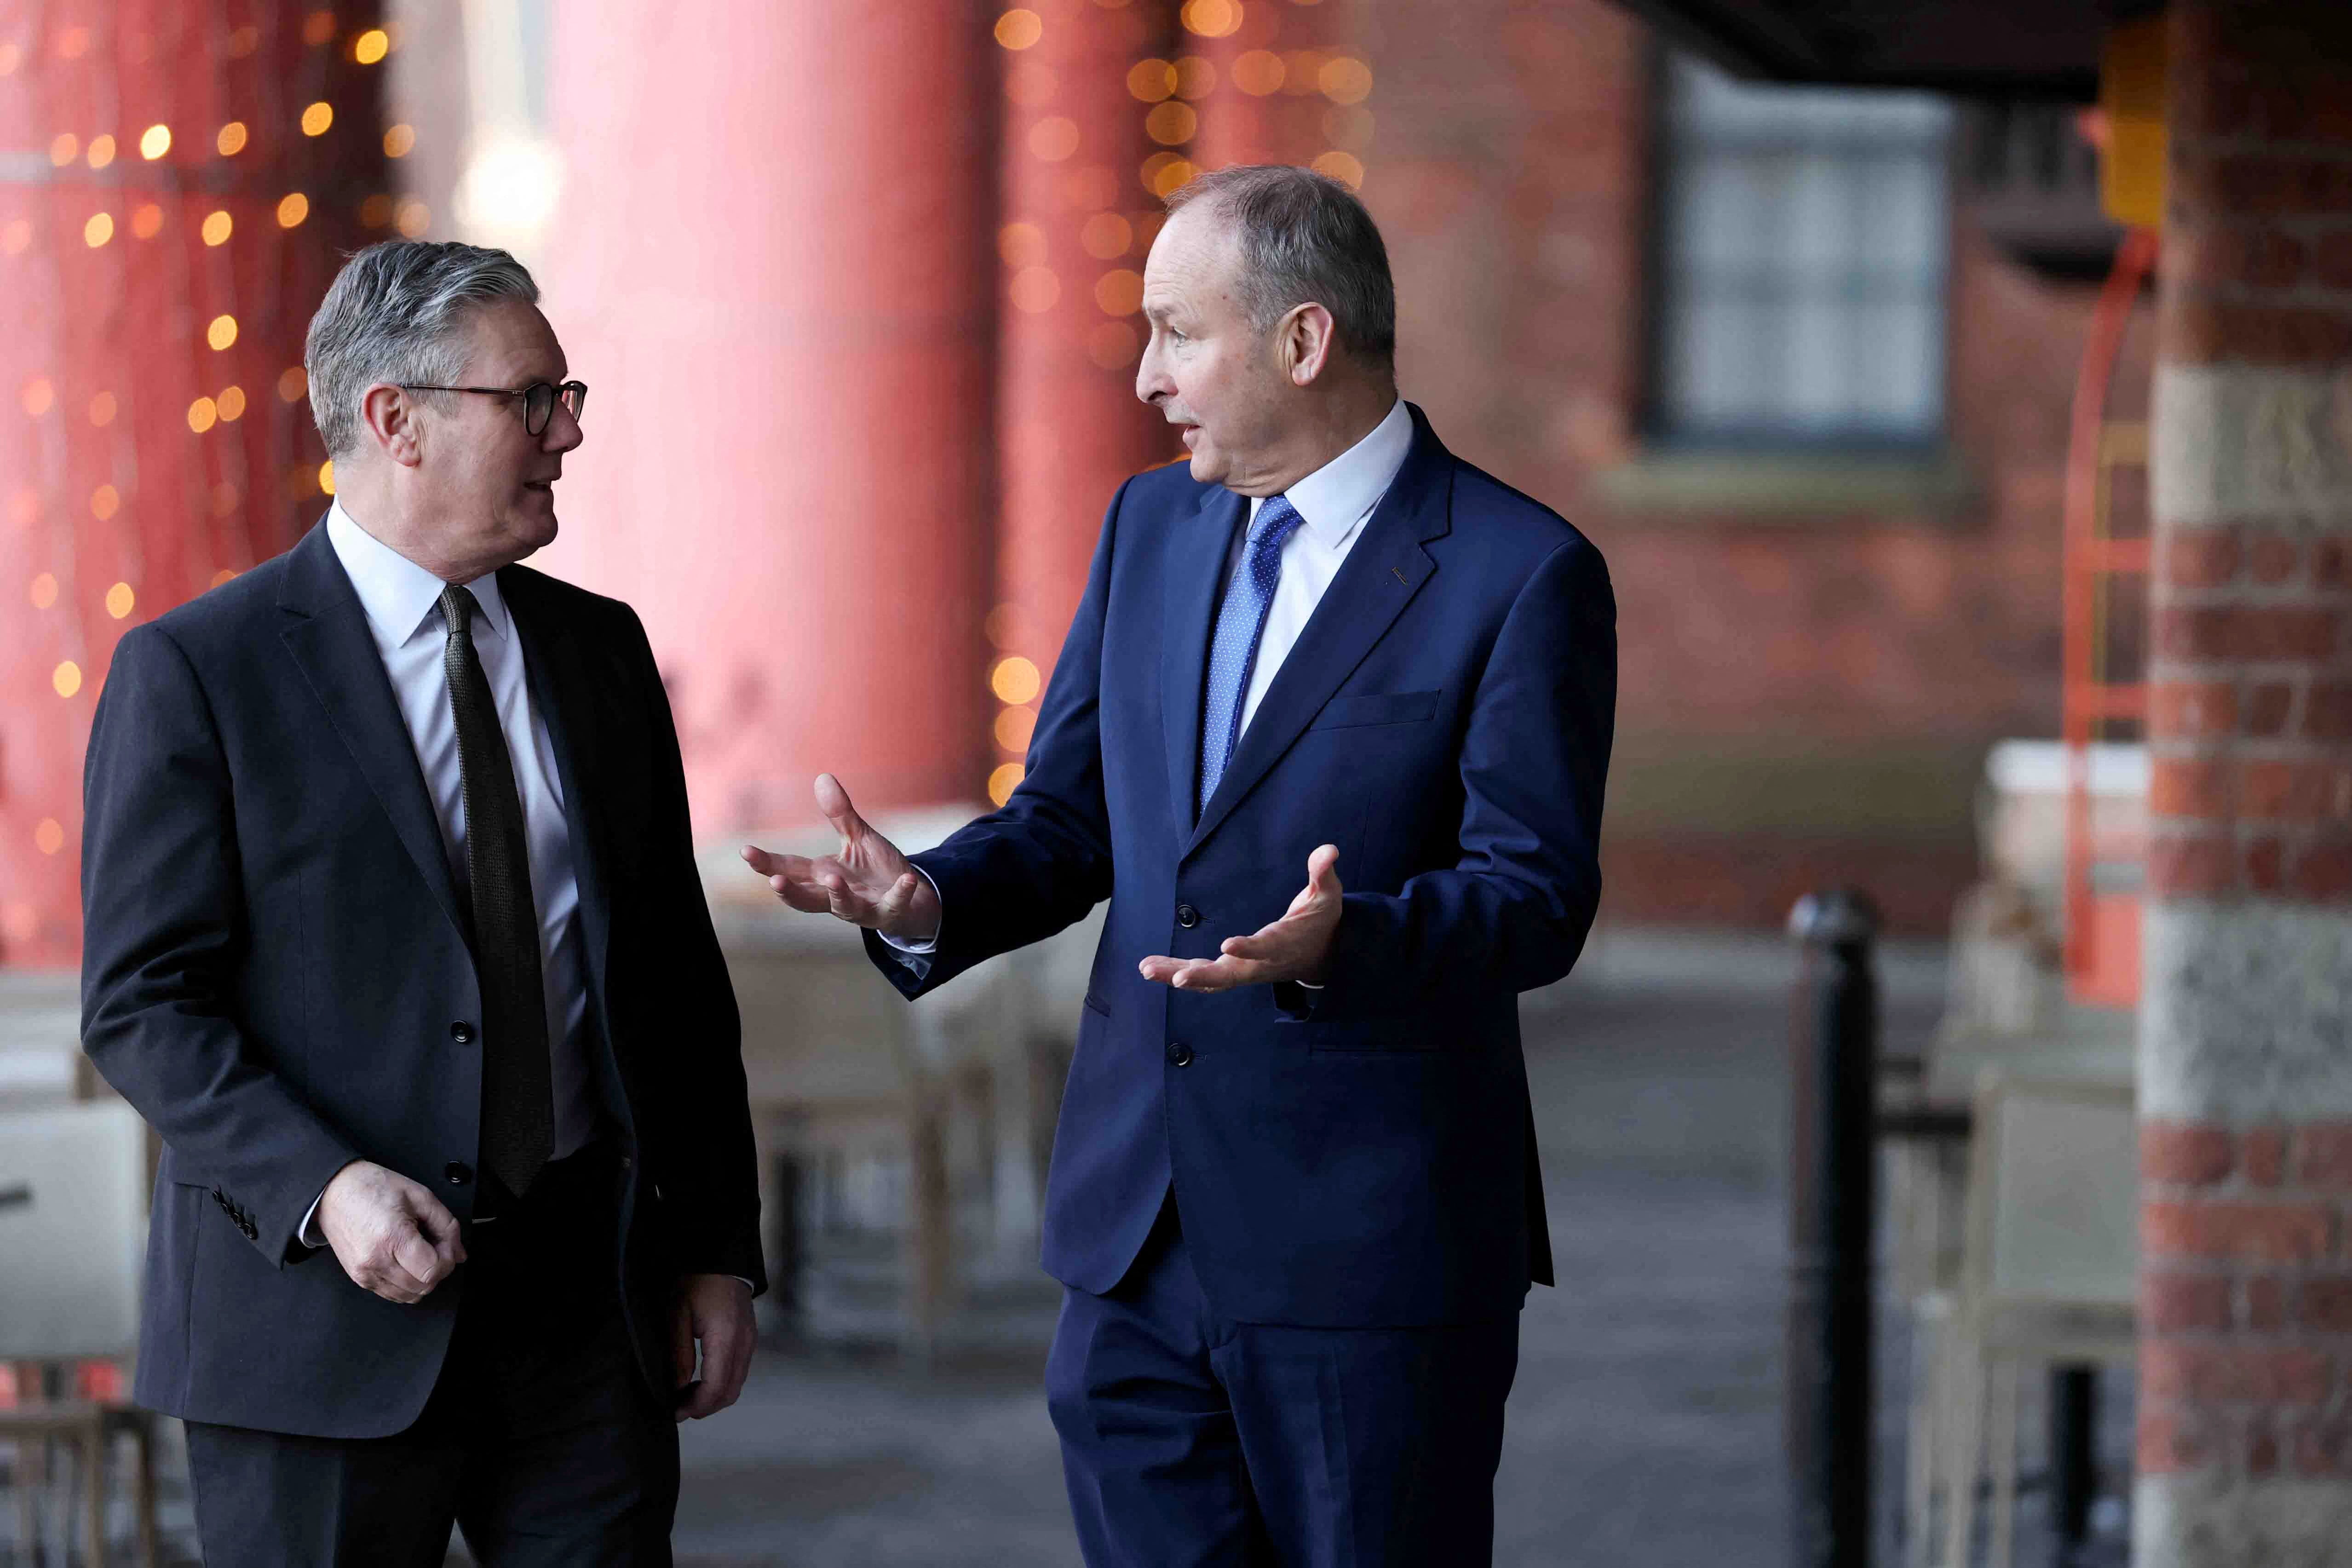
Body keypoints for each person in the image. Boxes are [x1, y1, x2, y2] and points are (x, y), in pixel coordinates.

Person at [746, 165, 1616, 1565]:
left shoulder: (1520, 571)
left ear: (1301, 340)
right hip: (1130, 1242)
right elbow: (1069, 818)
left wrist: (1350, 939)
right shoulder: (1149, 527)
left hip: (1367, 1250)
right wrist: (931, 896)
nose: (1148, 376)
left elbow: (1537, 897)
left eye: (1176, 332)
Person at [80, 240, 763, 1567]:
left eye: (569, 398)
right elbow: (143, 1003)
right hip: (312, 1321)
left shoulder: (601, 651)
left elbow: (673, 981)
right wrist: (324, 1185)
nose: (567, 433)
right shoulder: (198, 672)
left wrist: (717, 1248)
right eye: (532, 398)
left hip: (584, 1308)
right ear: (395, 417)